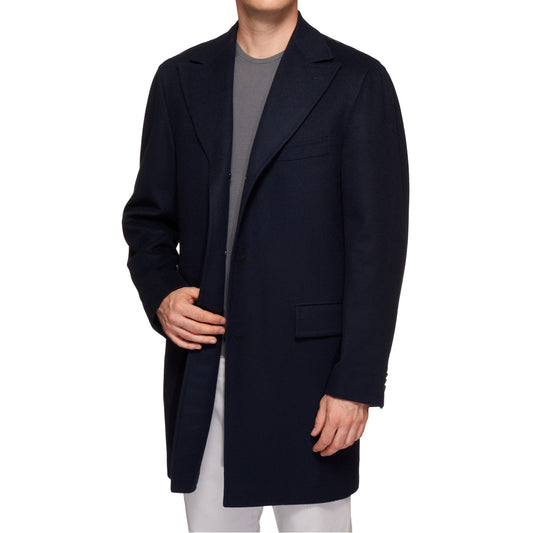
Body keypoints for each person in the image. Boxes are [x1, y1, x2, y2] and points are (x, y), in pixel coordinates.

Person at [122, 1, 409, 531]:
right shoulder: (178, 80)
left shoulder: (357, 80)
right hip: (205, 367)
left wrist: (357, 382)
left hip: (311, 380)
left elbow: (377, 248)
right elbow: (148, 221)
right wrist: (163, 293)